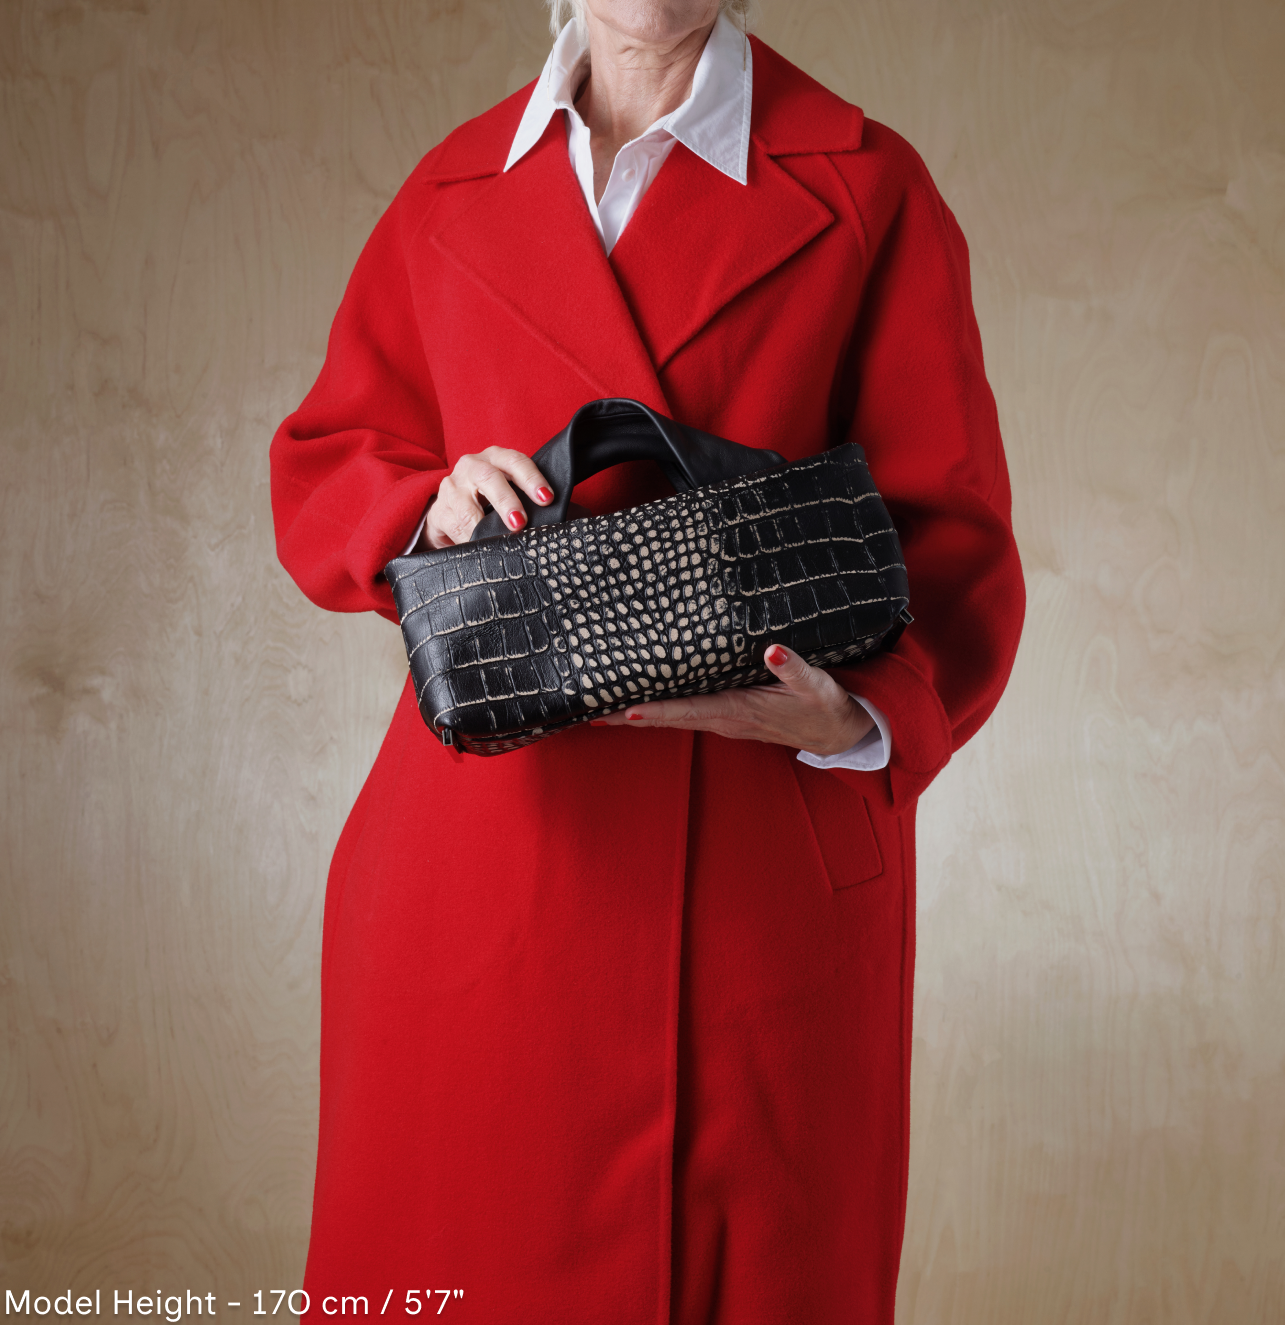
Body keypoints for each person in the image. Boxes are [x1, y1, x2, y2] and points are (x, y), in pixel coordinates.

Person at [269, 1, 1025, 1321]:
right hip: (484, 875)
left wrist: (846, 715)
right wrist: (427, 511)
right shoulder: (450, 191)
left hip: (755, 878)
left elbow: (952, 536)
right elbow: (326, 460)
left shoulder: (868, 189)